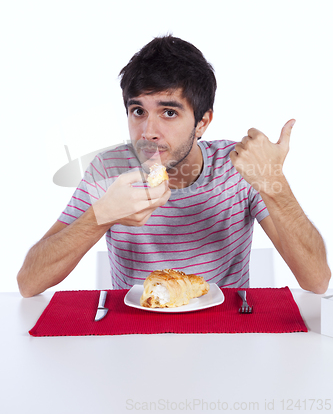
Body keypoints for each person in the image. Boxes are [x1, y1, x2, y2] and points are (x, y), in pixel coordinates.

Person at [17, 35, 331, 297]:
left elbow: (317, 281)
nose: (148, 131)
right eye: (138, 110)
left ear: (202, 122)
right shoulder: (109, 170)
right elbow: (28, 283)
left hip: (227, 341)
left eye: (168, 113)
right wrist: (100, 217)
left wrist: (274, 182)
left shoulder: (238, 167)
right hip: (135, 340)